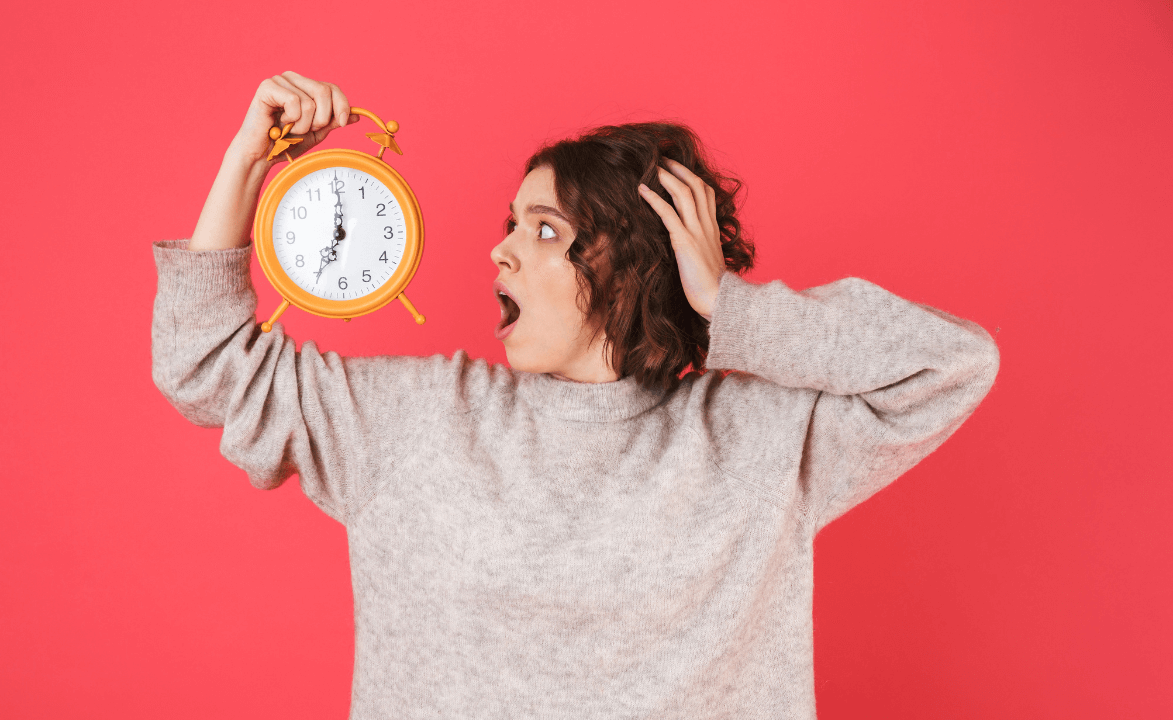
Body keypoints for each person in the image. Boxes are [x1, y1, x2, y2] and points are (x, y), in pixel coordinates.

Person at [151, 71, 1000, 718]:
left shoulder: (759, 440)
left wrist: (729, 305)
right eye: (511, 224)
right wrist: (249, 160)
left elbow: (953, 364)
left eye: (546, 229)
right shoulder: (412, 421)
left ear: (632, 267)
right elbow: (204, 363)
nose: (501, 251)